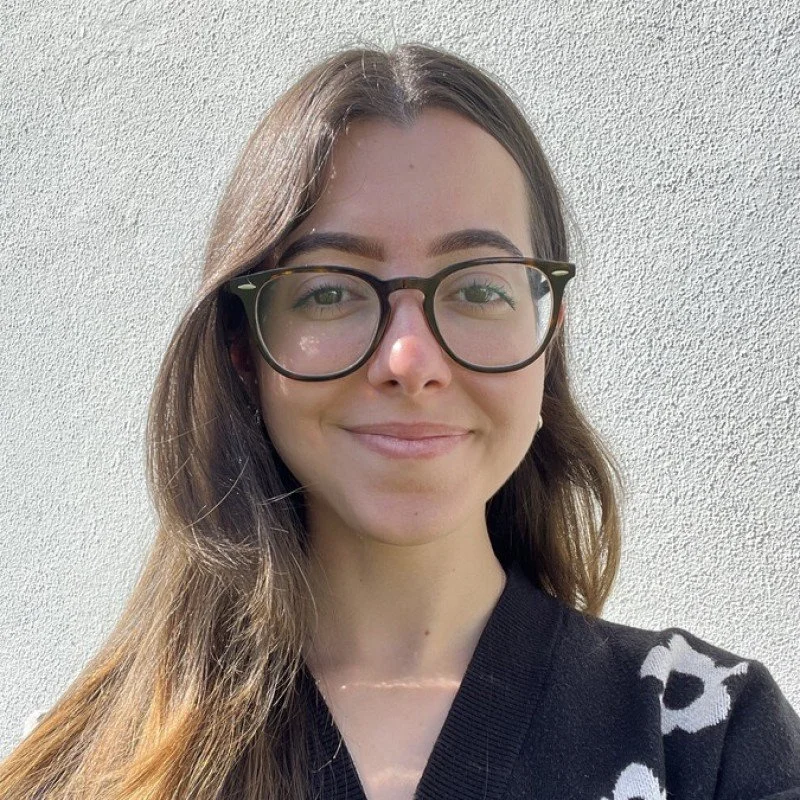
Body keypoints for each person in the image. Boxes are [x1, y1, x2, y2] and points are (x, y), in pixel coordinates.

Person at [1, 43, 798, 800]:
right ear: (245, 347)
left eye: (480, 288)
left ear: (548, 338)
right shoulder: (89, 764)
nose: (410, 357)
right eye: (331, 289)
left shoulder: (707, 737)